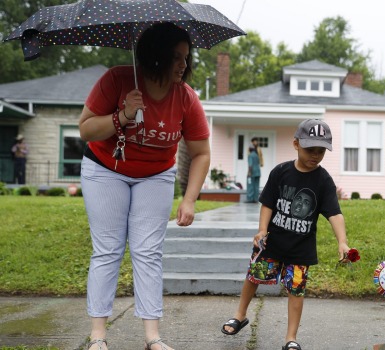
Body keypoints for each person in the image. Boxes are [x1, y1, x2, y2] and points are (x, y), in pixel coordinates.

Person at [78, 23, 211, 350]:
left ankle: (153, 338)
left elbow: (202, 153)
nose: (183, 65)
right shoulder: (118, 80)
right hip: (106, 169)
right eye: (176, 57)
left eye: (186, 57)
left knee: (147, 252)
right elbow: (85, 129)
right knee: (108, 249)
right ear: (155, 55)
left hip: (156, 175)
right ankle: (98, 337)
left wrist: (190, 199)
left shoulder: (186, 98)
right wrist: (121, 116)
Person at [221, 119, 350, 350]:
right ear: (295, 144)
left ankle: (290, 338)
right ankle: (239, 315)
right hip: (272, 243)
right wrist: (262, 229)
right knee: (253, 277)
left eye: (321, 151)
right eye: (310, 149)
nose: (315, 155)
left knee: (296, 292)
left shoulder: (323, 180)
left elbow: (334, 213)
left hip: (301, 250)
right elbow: (268, 204)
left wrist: (342, 241)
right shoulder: (281, 172)